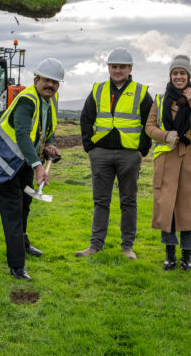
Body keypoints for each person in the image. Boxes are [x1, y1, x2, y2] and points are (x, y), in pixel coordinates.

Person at [0, 58, 63, 281]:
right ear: (36, 80)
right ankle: (17, 266)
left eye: (55, 82)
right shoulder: (28, 100)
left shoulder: (47, 101)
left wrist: (50, 144)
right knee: (12, 213)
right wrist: (39, 166)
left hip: (23, 164)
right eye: (47, 80)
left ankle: (23, 243)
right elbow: (21, 135)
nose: (51, 85)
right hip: (5, 163)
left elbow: (45, 128)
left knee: (24, 208)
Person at [76, 48, 152, 259]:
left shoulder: (141, 92)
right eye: (114, 66)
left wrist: (141, 151)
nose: (117, 70)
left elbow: (149, 123)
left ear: (130, 69)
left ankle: (127, 247)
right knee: (101, 201)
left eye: (122, 67)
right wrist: (89, 148)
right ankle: (94, 246)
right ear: (109, 68)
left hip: (129, 155)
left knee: (128, 202)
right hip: (100, 154)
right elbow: (86, 119)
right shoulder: (98, 89)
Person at [145, 55, 191, 271]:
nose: (179, 76)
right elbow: (149, 127)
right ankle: (169, 254)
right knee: (168, 208)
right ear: (170, 76)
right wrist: (165, 136)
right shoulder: (160, 99)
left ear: (189, 75)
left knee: (189, 208)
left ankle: (187, 256)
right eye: (175, 73)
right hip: (167, 160)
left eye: (182, 73)